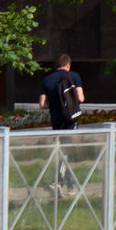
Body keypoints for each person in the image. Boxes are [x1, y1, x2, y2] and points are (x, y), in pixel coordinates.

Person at [37, 54, 83, 189]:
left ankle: (66, 183)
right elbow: (81, 97)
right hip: (70, 118)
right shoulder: (74, 76)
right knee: (66, 151)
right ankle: (59, 181)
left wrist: (55, 105)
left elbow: (42, 104)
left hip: (56, 119)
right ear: (68, 64)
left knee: (60, 149)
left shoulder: (47, 80)